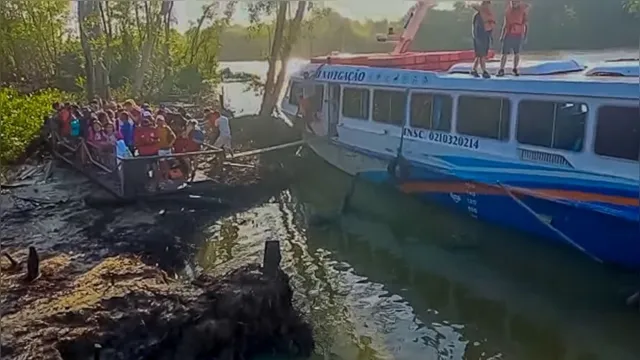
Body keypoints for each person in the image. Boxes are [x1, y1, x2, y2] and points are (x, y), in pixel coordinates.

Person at [497, 0, 529, 77]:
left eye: (515, 2)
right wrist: (502, 35)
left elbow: (526, 24)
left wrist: (525, 35)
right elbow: (505, 24)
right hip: (508, 34)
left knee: (516, 53)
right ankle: (501, 69)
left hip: (518, 34)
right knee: (504, 53)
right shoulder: (508, 11)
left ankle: (515, 68)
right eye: (512, 2)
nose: (513, 3)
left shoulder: (522, 11)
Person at [471, 1, 495, 78]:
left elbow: (490, 27)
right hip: (479, 38)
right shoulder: (478, 16)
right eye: (486, 4)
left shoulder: (488, 15)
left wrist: (490, 37)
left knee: (479, 55)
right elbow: (476, 29)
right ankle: (484, 71)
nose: (488, 6)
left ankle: (473, 70)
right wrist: (477, 39)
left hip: (486, 36)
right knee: (481, 55)